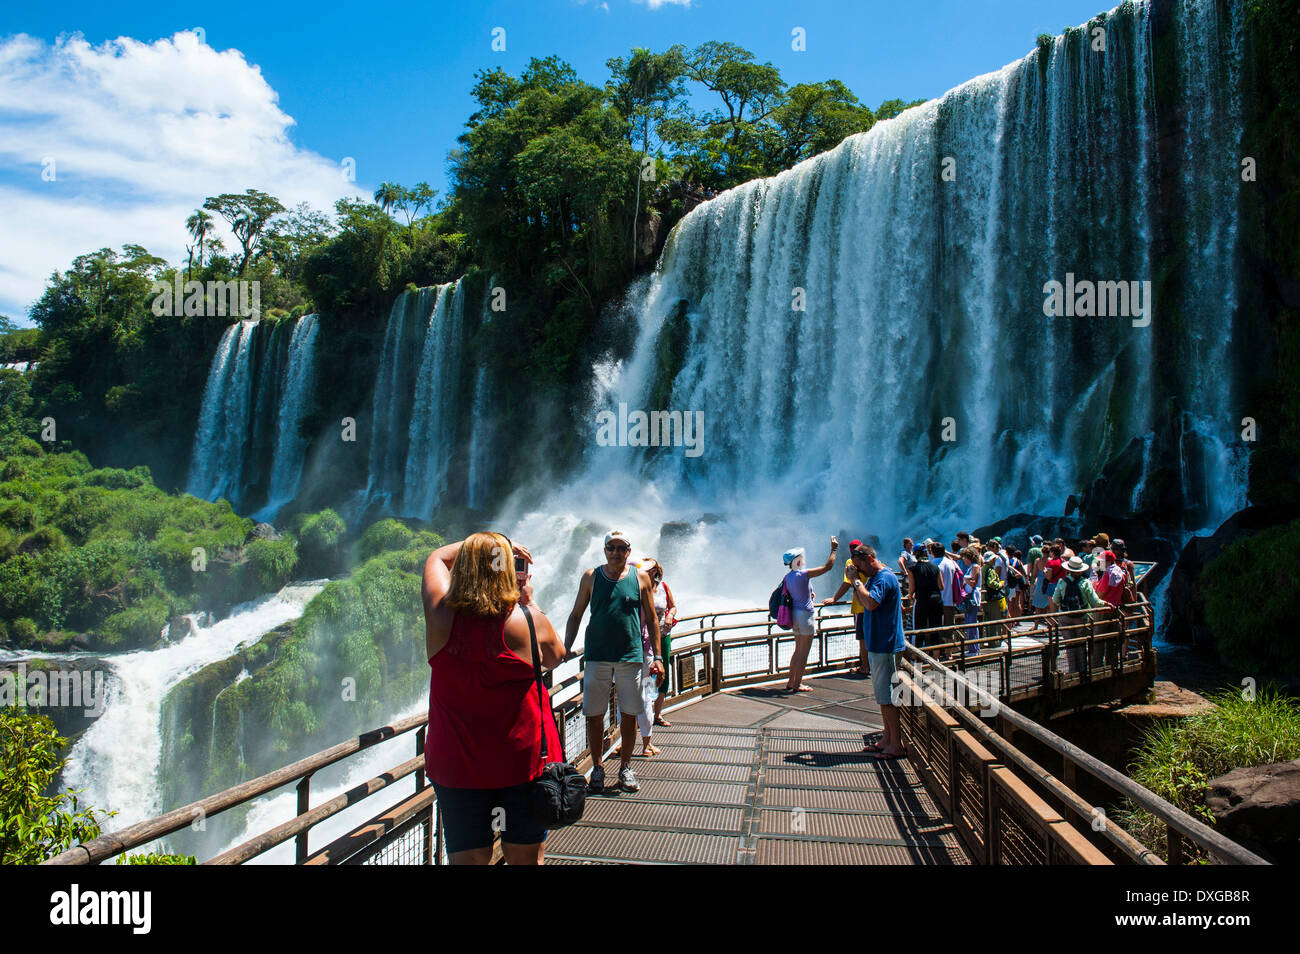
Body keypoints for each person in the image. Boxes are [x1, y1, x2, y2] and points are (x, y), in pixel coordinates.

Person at [420, 532, 567, 865]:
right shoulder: (528, 621)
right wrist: (530, 602)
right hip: (521, 764)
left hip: (456, 765)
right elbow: (557, 657)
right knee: (525, 858)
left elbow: (436, 558)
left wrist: (487, 545)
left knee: (469, 859)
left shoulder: (440, 615)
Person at [565, 530, 663, 794]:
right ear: (604, 550)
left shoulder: (640, 578)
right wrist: (566, 647)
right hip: (597, 655)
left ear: (629, 552)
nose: (616, 552)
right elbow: (576, 615)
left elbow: (652, 619)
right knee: (595, 715)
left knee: (630, 715)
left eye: (622, 548)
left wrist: (659, 657)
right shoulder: (590, 577)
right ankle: (597, 767)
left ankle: (626, 767)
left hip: (630, 656)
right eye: (611, 547)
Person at [847, 545, 906, 759]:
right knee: (883, 696)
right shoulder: (873, 578)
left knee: (889, 697)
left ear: (870, 559)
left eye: (859, 564)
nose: (858, 569)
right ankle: (887, 738)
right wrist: (858, 584)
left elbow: (870, 603)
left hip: (886, 645)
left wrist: (855, 581)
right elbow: (864, 601)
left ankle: (895, 745)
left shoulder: (883, 578)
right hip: (878, 644)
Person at [634, 558, 677, 756]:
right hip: (639, 646)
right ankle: (637, 738)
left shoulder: (663, 587)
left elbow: (673, 606)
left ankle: (650, 727)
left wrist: (669, 616)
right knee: (637, 694)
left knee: (649, 690)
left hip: (656, 643)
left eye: (649, 568)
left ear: (656, 571)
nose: (646, 571)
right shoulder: (635, 588)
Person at [783, 538, 838, 691]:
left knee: (797, 650)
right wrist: (834, 549)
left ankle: (790, 681)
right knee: (803, 652)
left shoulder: (788, 577)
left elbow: (796, 593)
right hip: (805, 616)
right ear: (797, 561)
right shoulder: (803, 575)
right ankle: (797, 684)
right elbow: (828, 567)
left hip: (794, 615)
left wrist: (809, 594)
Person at [1051, 555, 1105, 673]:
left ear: (1069, 570)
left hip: (1065, 616)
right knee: (1081, 645)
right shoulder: (1086, 583)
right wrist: (1106, 604)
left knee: (1069, 646)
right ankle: (1082, 671)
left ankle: (1072, 671)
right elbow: (1095, 602)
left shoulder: (1062, 582)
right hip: (1082, 617)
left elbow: (1055, 600)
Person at [823, 538, 869, 675]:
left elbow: (847, 583)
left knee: (863, 638)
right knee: (871, 636)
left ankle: (865, 667)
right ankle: (872, 665)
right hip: (872, 602)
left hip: (860, 606)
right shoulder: (870, 561)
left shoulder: (851, 562)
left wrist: (834, 598)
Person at [907, 543, 943, 646]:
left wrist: (910, 595)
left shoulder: (913, 568)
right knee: (936, 628)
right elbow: (941, 586)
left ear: (915, 554)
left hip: (922, 599)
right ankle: (936, 658)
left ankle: (916, 660)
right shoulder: (935, 567)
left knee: (918, 629)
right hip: (936, 600)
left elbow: (912, 588)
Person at [933, 540, 960, 657]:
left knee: (936, 628)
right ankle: (949, 654)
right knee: (949, 627)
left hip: (936, 601)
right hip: (950, 600)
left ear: (933, 552)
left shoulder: (932, 564)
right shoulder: (952, 563)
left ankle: (936, 655)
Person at [958, 545, 982, 652]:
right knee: (969, 623)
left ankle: (973, 649)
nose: (964, 560)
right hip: (970, 598)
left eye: (965, 558)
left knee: (971, 624)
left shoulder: (975, 567)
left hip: (972, 599)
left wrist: (964, 578)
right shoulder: (971, 567)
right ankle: (972, 647)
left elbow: (973, 583)